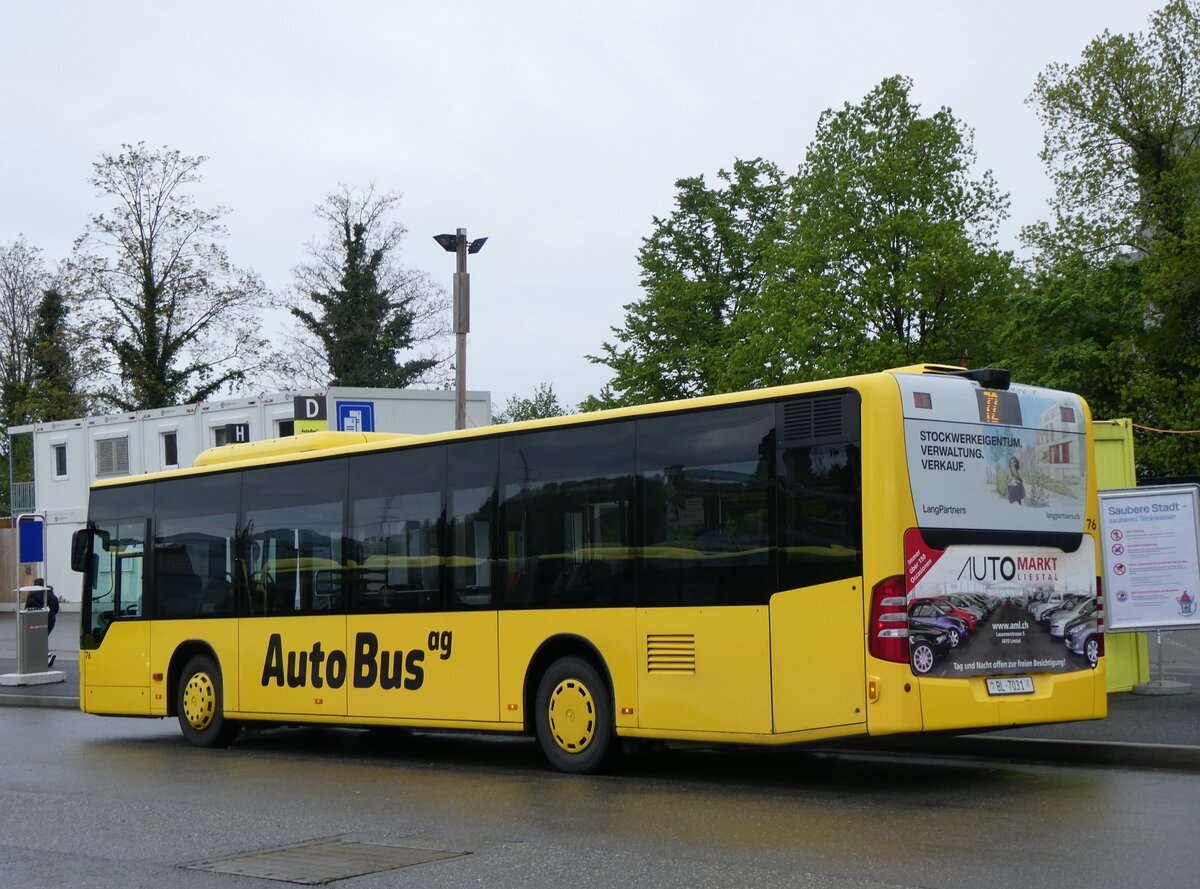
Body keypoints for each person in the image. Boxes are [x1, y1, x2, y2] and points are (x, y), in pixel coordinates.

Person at [25, 578, 60, 668]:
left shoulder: (32, 595)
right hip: (51, 620)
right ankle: (45, 657)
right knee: (41, 638)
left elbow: (27, 609)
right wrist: (50, 614)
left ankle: (48, 655)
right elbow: (56, 609)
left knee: (38, 639)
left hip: (38, 620)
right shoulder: (50, 594)